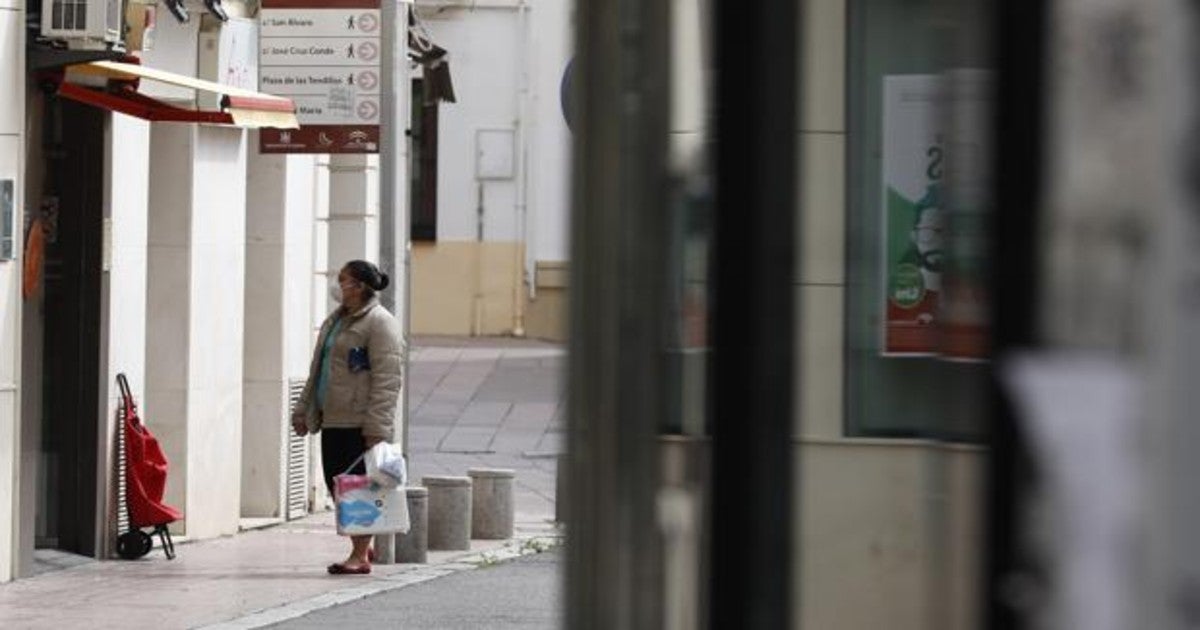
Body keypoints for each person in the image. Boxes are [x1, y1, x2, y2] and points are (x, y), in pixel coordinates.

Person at [292, 260, 403, 575]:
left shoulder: (380, 324)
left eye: (344, 280)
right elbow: (319, 371)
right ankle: (361, 545)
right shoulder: (337, 321)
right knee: (336, 484)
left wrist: (377, 427)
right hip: (334, 417)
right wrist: (304, 410)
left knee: (357, 488)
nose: (338, 286)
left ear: (360, 286)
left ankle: (358, 555)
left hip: (359, 421)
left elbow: (387, 380)